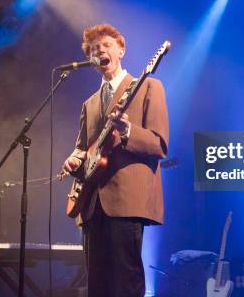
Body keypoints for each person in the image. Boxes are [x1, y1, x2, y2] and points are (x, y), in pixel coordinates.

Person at [62, 23, 169, 297]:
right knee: (97, 286)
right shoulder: (89, 103)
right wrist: (73, 161)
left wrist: (128, 131)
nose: (100, 51)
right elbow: (81, 149)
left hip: (126, 200)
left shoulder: (148, 86)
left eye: (106, 46)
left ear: (121, 50)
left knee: (125, 282)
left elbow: (159, 144)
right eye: (94, 50)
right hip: (91, 203)